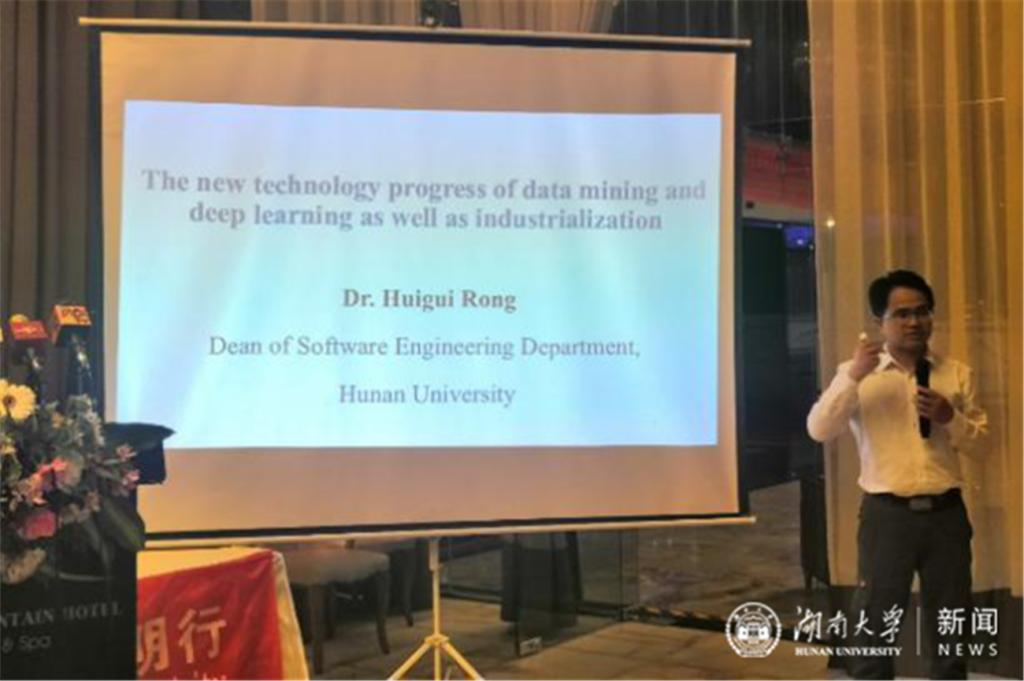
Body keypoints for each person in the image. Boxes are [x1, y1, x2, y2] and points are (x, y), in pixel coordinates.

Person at [807, 269, 988, 680]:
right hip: (887, 517)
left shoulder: (956, 373)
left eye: (922, 311)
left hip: (946, 516)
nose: (914, 322)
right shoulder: (857, 374)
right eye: (902, 314)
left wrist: (950, 417)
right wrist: (853, 375)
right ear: (880, 321)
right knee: (875, 624)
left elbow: (982, 447)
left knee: (952, 624)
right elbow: (819, 430)